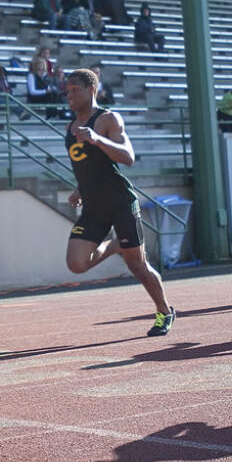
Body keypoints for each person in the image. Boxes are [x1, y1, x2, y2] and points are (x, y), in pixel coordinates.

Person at [63, 69, 176, 336]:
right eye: (66, 91)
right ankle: (114, 246)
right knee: (76, 264)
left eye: (74, 90)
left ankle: (164, 311)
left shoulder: (108, 119)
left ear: (91, 90)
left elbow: (128, 157)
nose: (69, 95)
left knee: (137, 265)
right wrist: (79, 189)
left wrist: (97, 138)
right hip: (93, 206)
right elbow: (88, 164)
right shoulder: (69, 127)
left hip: (120, 202)